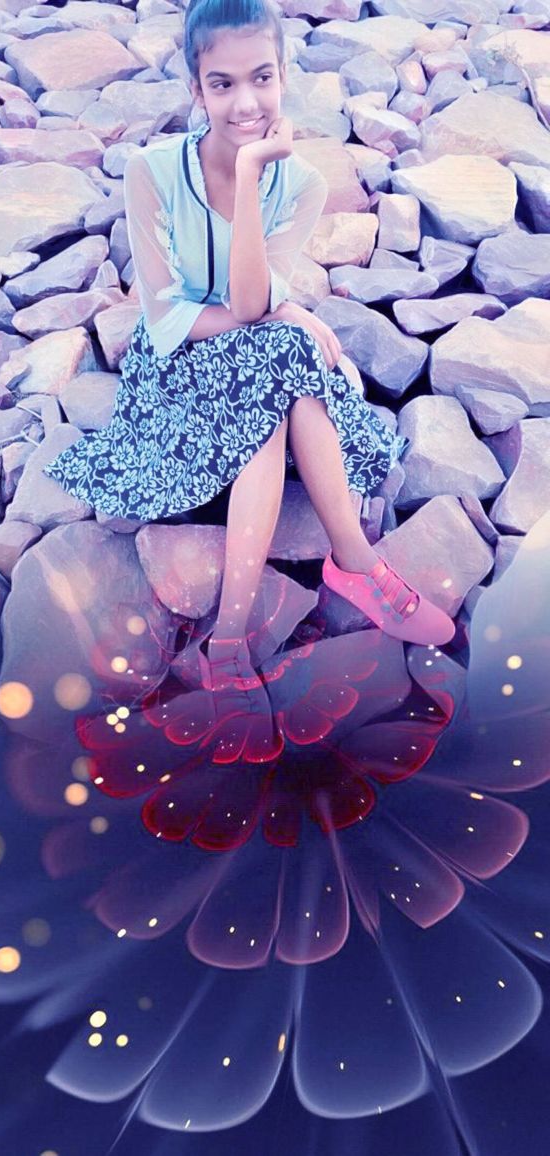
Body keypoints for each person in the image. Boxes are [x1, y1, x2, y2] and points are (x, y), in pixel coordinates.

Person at [43, 0, 455, 745]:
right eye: (222, 83)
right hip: (175, 368)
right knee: (285, 358)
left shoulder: (301, 185)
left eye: (262, 78)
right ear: (195, 88)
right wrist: (282, 308)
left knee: (276, 374)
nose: (246, 103)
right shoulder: (152, 172)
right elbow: (167, 314)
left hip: (254, 352)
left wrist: (273, 294)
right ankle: (353, 567)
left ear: (284, 76)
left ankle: (230, 639)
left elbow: (251, 301)